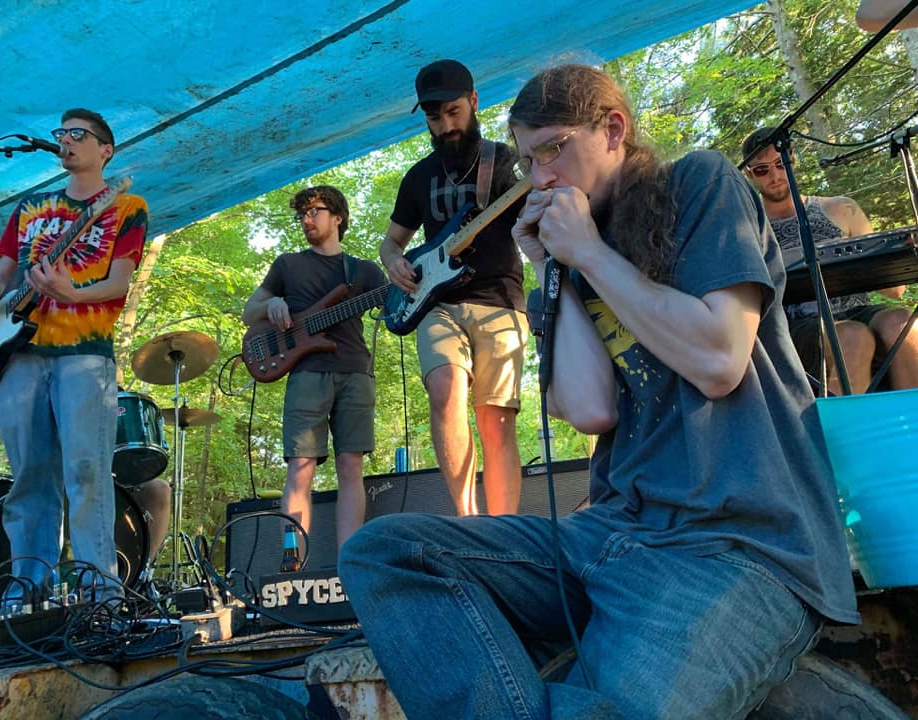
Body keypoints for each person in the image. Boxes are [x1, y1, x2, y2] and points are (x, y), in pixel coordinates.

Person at [340, 64, 859, 719]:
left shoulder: (699, 183)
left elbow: (719, 358)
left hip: (738, 545)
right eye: (528, 161)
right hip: (612, 532)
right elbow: (589, 409)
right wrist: (550, 264)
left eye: (553, 150)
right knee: (384, 552)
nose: (540, 178)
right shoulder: (574, 249)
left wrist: (589, 254)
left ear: (613, 129)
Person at [0, 108, 148, 603]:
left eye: (77, 134)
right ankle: (27, 594)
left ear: (105, 150)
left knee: (86, 472)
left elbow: (119, 282)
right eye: (61, 133)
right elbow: (3, 274)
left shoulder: (126, 205)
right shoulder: (30, 206)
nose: (66, 140)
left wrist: (71, 293)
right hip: (18, 355)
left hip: (85, 355)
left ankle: (101, 596)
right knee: (28, 477)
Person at [380, 59, 528, 516]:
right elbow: (391, 242)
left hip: (499, 300)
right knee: (445, 392)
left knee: (495, 417)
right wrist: (394, 262)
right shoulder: (417, 177)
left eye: (453, 112)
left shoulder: (506, 162)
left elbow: (536, 224)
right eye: (434, 117)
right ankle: (468, 520)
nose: (445, 126)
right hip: (436, 304)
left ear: (474, 102)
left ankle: (503, 529)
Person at [242, 186, 385, 550]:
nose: (306, 220)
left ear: (338, 217)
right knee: (300, 466)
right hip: (307, 373)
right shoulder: (287, 265)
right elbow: (248, 312)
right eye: (301, 215)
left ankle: (348, 561)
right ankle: (294, 560)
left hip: (356, 371)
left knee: (351, 466)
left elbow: (397, 308)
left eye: (313, 211)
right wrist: (271, 304)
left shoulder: (365, 271)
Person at [742, 127, 918, 395]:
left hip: (857, 309)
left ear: (792, 159)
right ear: (749, 174)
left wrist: (894, 256)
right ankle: (846, 423)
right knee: (852, 336)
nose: (775, 176)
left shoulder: (842, 208)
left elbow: (895, 292)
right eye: (762, 170)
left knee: (901, 321)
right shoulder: (748, 228)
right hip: (796, 323)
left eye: (780, 164)